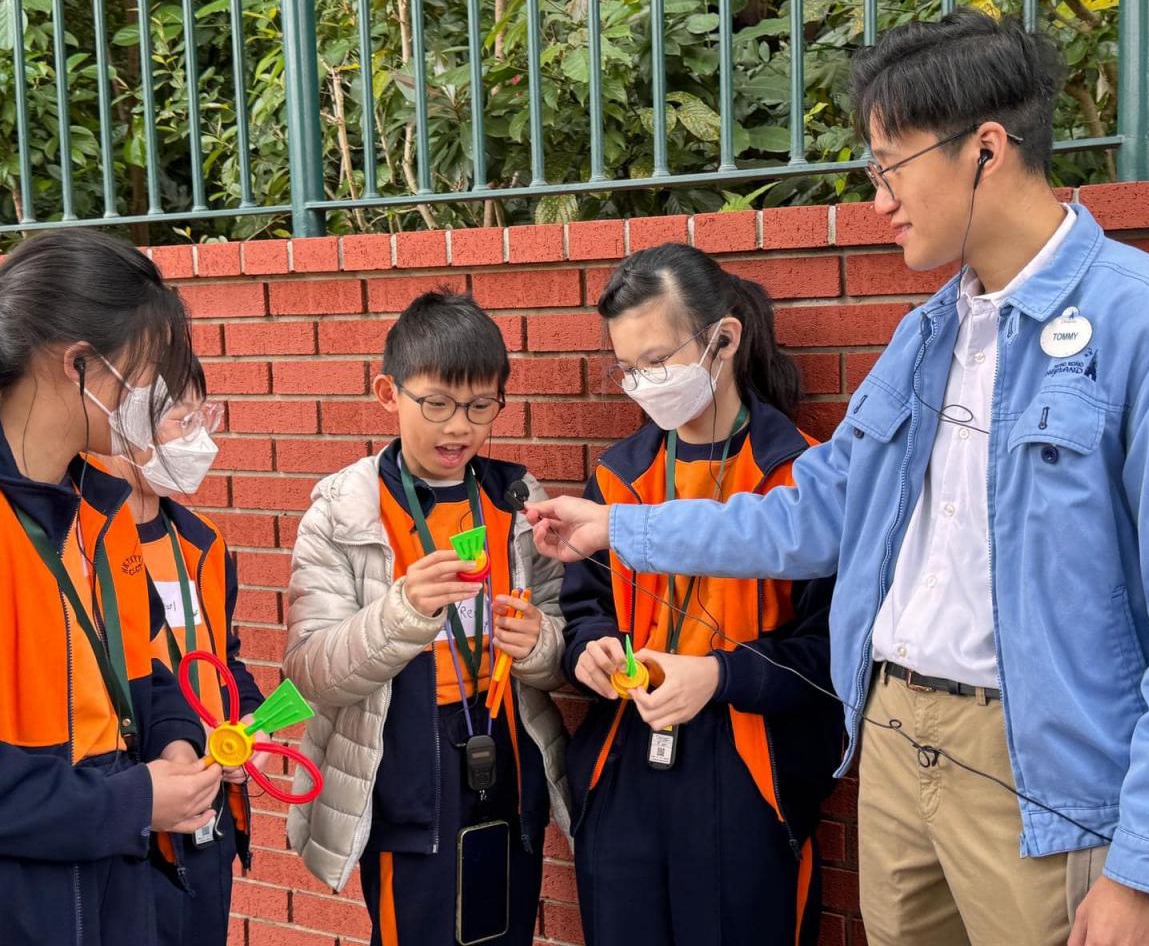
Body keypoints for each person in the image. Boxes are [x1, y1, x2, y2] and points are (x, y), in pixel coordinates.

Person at [528, 10, 1149, 946]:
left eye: (890, 165)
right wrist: (617, 529)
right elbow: (814, 512)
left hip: (1051, 780)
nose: (878, 197)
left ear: (986, 149)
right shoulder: (926, 338)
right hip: (894, 746)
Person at [561, 243, 842, 946]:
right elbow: (583, 607)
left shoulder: (800, 478)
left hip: (749, 767)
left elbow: (833, 652)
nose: (643, 384)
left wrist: (719, 676)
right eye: (629, 369)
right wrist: (590, 650)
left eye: (658, 361)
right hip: (625, 756)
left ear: (724, 340)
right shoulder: (618, 476)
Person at [283, 290, 570, 946]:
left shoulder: (517, 498)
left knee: (504, 931)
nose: (459, 428)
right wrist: (402, 611)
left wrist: (539, 645)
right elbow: (308, 669)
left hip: (505, 751)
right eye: (437, 404)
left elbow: (562, 647)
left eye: (480, 406)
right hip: (404, 767)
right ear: (389, 393)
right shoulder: (343, 509)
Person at [0, 229, 224, 946]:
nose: (159, 400)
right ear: (78, 364)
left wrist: (178, 741)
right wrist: (131, 801)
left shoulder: (101, 510)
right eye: (150, 373)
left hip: (116, 875)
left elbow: (146, 670)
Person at [102, 359, 267, 946]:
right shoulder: (84, 548)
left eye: (204, 417)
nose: (200, 440)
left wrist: (252, 721)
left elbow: (224, 657)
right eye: (182, 419)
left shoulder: (202, 543)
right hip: (133, 816)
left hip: (211, 809)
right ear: (121, 421)